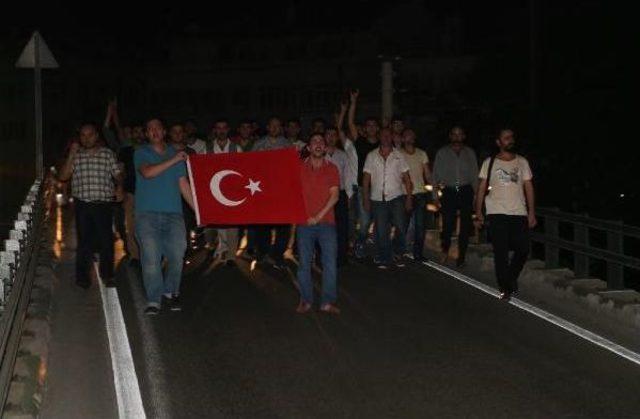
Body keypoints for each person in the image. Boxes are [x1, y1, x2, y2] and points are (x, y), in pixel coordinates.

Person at [134, 118, 194, 315]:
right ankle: (154, 299)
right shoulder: (142, 152)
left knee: (178, 254)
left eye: (158, 127)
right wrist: (175, 159)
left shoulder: (174, 154)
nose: (154, 131)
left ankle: (171, 290)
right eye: (150, 129)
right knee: (151, 257)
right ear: (146, 133)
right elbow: (148, 173)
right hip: (146, 215)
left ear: (164, 131)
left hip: (173, 215)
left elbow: (183, 184)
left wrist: (199, 210)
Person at [474, 128, 536, 300]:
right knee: (500, 252)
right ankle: (505, 288)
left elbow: (528, 187)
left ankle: (510, 277)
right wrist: (478, 212)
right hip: (496, 212)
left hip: (519, 212)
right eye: (506, 138)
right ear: (498, 142)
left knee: (523, 249)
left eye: (511, 137)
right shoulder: (490, 162)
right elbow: (481, 188)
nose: (510, 140)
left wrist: (531, 212)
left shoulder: (522, 162)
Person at [58, 123, 123, 288]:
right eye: (83, 135)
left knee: (106, 241)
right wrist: (72, 153)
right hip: (83, 205)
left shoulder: (107, 154)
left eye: (90, 135)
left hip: (103, 204)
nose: (86, 139)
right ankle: (82, 277)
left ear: (96, 136)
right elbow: (64, 176)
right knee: (84, 242)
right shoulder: (76, 156)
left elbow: (118, 174)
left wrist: (120, 186)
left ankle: (108, 274)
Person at [296, 133, 340, 314]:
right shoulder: (298, 167)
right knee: (304, 264)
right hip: (304, 223)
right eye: (314, 141)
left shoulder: (332, 168)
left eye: (321, 141)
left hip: (327, 223)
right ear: (308, 147)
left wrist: (318, 217)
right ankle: (306, 299)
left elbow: (335, 196)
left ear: (325, 146)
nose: (318, 144)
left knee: (329, 263)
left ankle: (327, 302)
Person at [362, 128, 413, 269]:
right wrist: (365, 199)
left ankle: (398, 253)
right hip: (377, 198)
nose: (385, 137)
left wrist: (409, 198)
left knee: (401, 226)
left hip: (396, 197)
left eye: (388, 135)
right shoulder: (371, 155)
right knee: (382, 229)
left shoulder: (399, 155)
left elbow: (407, 179)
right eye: (383, 135)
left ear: (392, 137)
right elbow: (366, 179)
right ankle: (384, 256)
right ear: (379, 137)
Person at [432, 126, 479, 267]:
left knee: (465, 226)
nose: (457, 137)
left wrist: (477, 196)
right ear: (450, 136)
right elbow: (435, 176)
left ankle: (461, 257)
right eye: (454, 134)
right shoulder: (442, 153)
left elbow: (475, 175)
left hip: (465, 190)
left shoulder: (470, 153)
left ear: (464, 136)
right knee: (447, 224)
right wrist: (435, 196)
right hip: (449, 191)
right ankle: (445, 248)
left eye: (460, 134)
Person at [251, 117, 292, 268]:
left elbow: (292, 169)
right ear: (267, 127)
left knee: (283, 226)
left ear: (281, 128)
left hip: (281, 192)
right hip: (263, 191)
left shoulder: (288, 145)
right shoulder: (258, 144)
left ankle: (278, 254)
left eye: (277, 125)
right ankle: (263, 252)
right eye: (272, 125)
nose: (274, 128)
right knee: (263, 225)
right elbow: (250, 166)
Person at [347, 90, 380, 259]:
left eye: (375, 125)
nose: (372, 128)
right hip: (363, 188)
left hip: (381, 188)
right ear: (365, 129)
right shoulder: (360, 142)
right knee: (365, 221)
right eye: (368, 126)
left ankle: (379, 249)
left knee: (381, 222)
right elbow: (351, 123)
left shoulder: (383, 145)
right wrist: (353, 102)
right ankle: (360, 241)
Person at [206, 118, 242, 265]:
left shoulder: (236, 148)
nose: (221, 131)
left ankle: (231, 255)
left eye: (224, 128)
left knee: (232, 224)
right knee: (219, 223)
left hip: (232, 192)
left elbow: (243, 170)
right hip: (214, 191)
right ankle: (222, 247)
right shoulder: (207, 149)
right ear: (215, 130)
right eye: (218, 128)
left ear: (227, 130)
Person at [401, 128, 432, 262]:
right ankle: (400, 250)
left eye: (412, 135)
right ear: (402, 139)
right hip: (403, 194)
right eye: (407, 135)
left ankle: (417, 253)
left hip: (420, 193)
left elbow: (428, 174)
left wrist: (434, 189)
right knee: (403, 225)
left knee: (420, 226)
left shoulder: (422, 154)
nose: (410, 137)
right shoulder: (398, 154)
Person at [325, 126, 350, 266]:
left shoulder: (343, 155)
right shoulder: (319, 153)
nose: (331, 137)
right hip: (322, 194)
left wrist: (347, 196)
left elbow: (347, 177)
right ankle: (323, 256)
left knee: (341, 227)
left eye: (334, 135)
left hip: (339, 194)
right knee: (324, 226)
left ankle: (341, 256)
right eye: (329, 134)